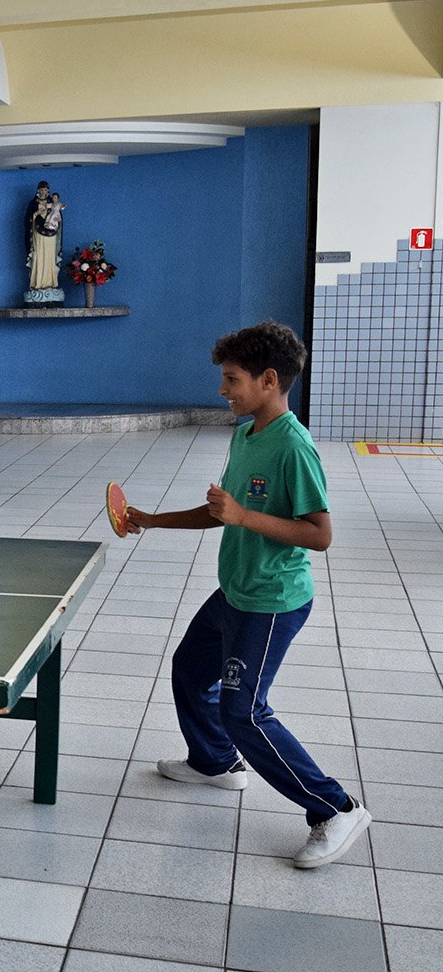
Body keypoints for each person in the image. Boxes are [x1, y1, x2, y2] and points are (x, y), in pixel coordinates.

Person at [125, 321, 371, 868]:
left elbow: (320, 535)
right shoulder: (245, 435)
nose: (222, 390)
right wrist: (154, 520)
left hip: (271, 600)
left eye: (232, 380)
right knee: (191, 669)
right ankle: (214, 762)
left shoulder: (294, 448)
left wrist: (243, 516)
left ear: (268, 380)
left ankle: (336, 808)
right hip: (235, 590)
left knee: (244, 712)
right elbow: (224, 512)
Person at [25, 180, 63, 291]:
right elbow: (28, 219)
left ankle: (50, 283)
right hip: (38, 234)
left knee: (50, 257)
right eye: (41, 190)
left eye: (45, 190)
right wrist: (36, 214)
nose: (43, 192)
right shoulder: (33, 203)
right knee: (39, 256)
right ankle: (37, 283)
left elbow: (58, 216)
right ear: (38, 190)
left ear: (48, 191)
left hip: (51, 235)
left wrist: (58, 221)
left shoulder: (53, 203)